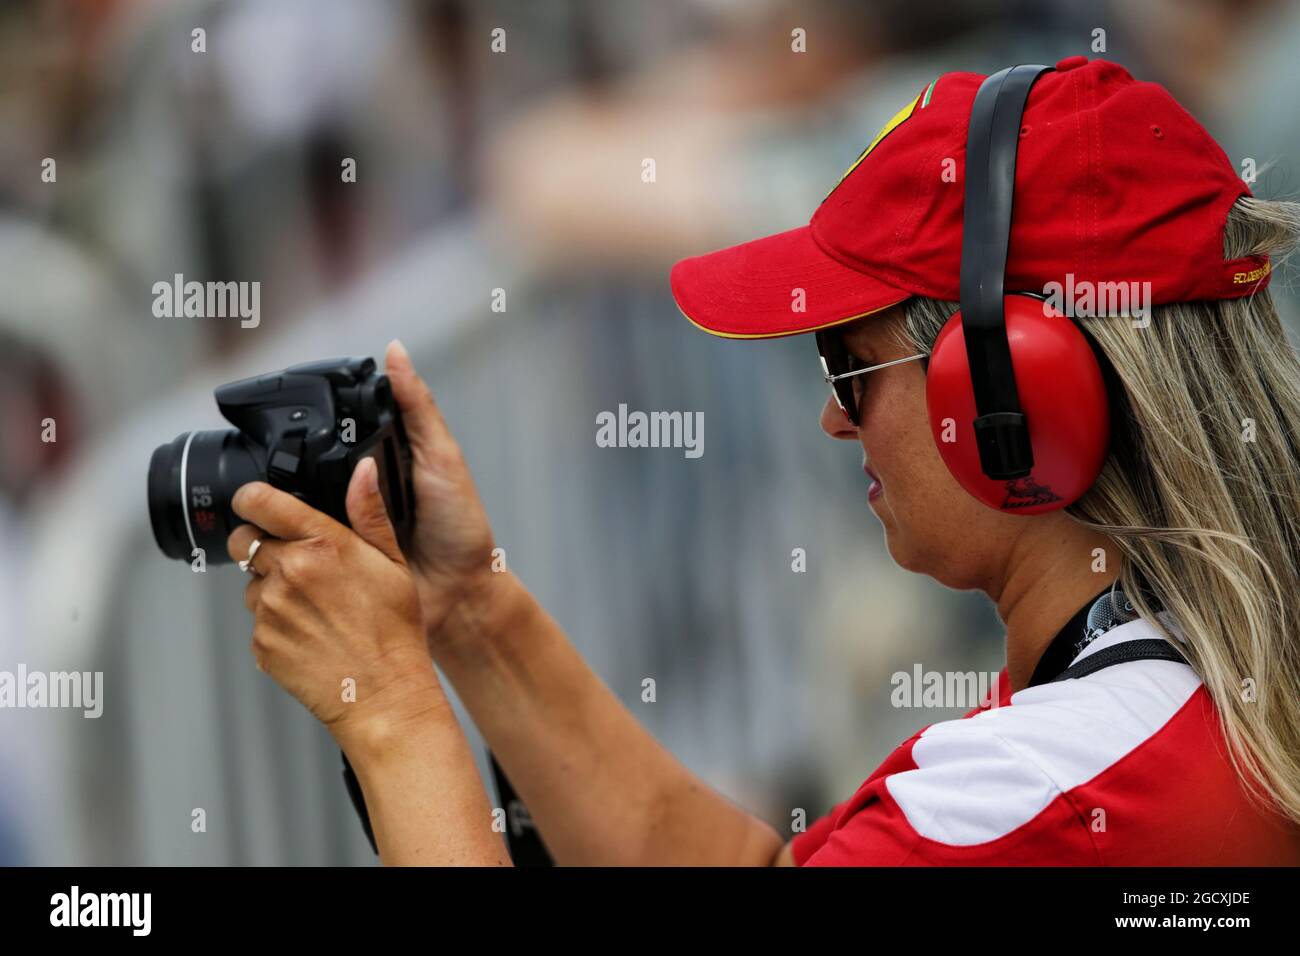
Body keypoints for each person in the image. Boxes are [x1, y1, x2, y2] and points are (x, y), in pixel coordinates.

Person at [224, 58, 1300, 865]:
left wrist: (389, 713)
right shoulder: (1160, 705)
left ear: (1010, 393)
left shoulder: (1047, 792)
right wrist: (464, 604)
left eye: (846, 363)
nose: (835, 421)